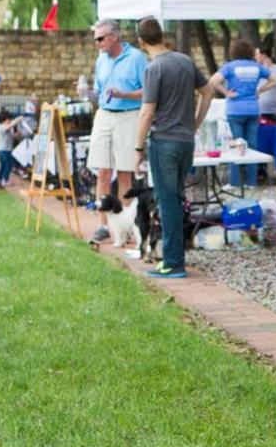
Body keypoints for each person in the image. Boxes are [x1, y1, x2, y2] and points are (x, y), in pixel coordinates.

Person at [133, 16, 214, 279]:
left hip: (164, 142)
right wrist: (195, 122)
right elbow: (208, 91)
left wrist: (137, 149)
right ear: (163, 36)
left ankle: (172, 262)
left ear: (141, 41)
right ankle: (176, 255)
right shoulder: (185, 61)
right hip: (185, 141)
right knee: (177, 199)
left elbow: (147, 113)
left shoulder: (153, 68)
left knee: (167, 201)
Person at [87, 20, 147, 245]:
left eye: (100, 38)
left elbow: (147, 91)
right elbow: (98, 92)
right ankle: (103, 225)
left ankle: (126, 225)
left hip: (129, 115)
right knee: (102, 171)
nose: (97, 43)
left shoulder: (137, 58)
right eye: (95, 39)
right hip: (104, 114)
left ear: (114, 37)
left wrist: (124, 94)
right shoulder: (101, 60)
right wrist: (87, 93)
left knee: (124, 172)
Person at [209, 39, 276, 188]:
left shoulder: (230, 67)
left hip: (235, 109)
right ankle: (251, 182)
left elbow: (213, 81)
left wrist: (226, 92)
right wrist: (260, 90)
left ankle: (235, 182)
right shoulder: (257, 67)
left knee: (235, 145)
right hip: (253, 109)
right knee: (252, 146)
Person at [255, 45, 276, 182]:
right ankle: (260, 171)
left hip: (274, 112)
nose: (255, 57)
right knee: (259, 142)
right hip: (259, 113)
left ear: (263, 54)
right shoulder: (257, 70)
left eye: (257, 54)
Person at [0, 109, 23, 188]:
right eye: (10, 119)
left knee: (3, 165)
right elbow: (10, 126)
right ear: (6, 120)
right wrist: (18, 119)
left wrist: (18, 134)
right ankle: (4, 180)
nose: (11, 121)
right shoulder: (2, 127)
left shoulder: (8, 128)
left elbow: (13, 136)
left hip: (6, 150)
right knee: (8, 165)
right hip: (4, 151)